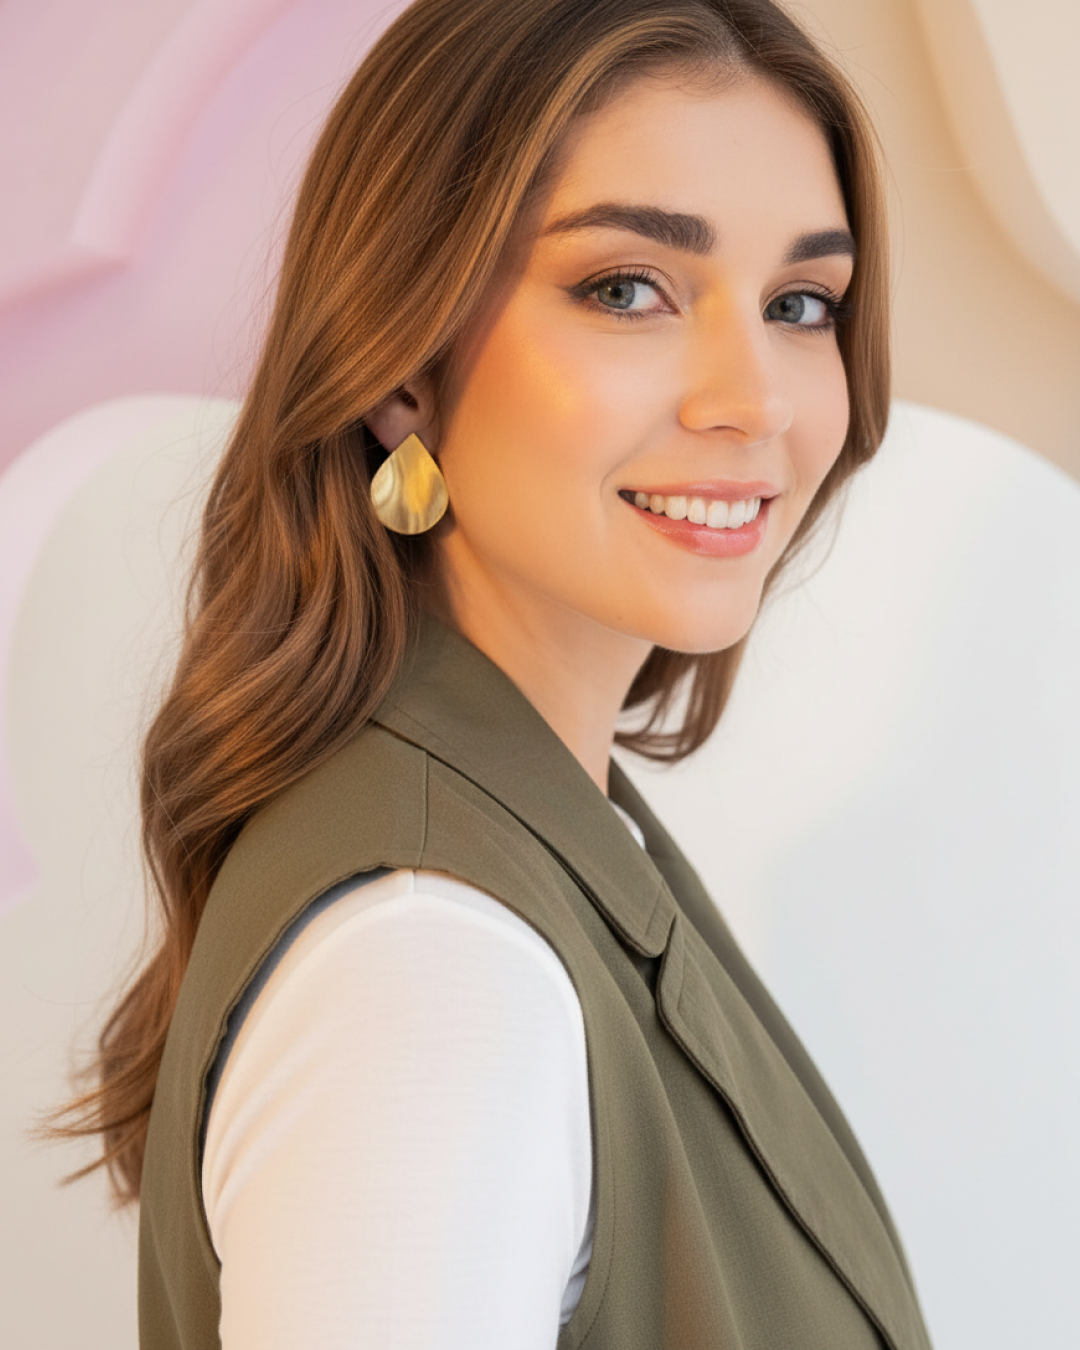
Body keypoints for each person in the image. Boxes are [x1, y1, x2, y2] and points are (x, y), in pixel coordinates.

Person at [58, 0, 933, 1346]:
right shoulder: (433, 963)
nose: (754, 398)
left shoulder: (548, 845)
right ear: (404, 369)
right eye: (628, 287)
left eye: (802, 302)